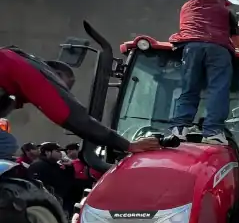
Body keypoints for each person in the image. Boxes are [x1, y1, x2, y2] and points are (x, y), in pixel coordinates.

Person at [0, 47, 160, 160]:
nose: (63, 92)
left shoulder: (10, 61)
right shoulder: (33, 74)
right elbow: (73, 116)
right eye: (63, 88)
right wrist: (128, 145)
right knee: (6, 144)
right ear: (56, 75)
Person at [167, 0, 239, 146]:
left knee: (189, 89)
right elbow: (238, 44)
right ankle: (213, 132)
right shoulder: (225, 13)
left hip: (190, 47)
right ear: (220, 0)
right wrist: (237, 30)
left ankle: (179, 128)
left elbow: (190, 29)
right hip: (218, 49)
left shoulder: (186, 7)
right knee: (217, 89)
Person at [28, 141, 74, 213]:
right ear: (47, 152)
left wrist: (69, 168)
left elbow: (66, 181)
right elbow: (38, 186)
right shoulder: (38, 165)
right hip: (46, 204)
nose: (60, 153)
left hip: (59, 201)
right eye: (57, 151)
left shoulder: (55, 165)